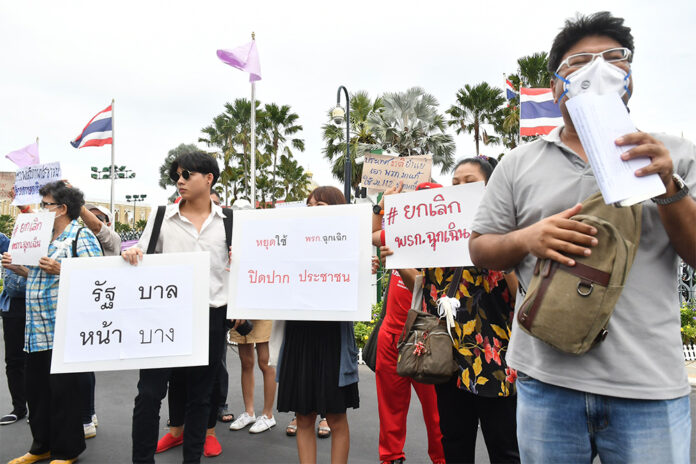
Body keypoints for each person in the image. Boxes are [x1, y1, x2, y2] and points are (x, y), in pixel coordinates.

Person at [469, 12, 696, 463]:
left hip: (648, 386)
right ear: (555, 85)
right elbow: (480, 250)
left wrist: (669, 187)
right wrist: (528, 239)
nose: (599, 68)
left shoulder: (675, 154)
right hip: (547, 383)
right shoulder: (518, 163)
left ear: (630, 76)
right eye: (579, 61)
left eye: (614, 58)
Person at [381, 174, 519, 463]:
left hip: (495, 363)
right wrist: (398, 259)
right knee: (454, 443)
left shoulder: (506, 234)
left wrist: (504, 247)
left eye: (469, 181)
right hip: (450, 362)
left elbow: (520, 295)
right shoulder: (437, 242)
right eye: (455, 182)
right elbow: (421, 287)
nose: (460, 188)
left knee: (505, 446)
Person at [123, 151, 244, 464]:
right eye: (177, 175)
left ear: (208, 178)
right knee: (149, 393)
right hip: (163, 315)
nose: (179, 180)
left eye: (187, 174)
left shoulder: (230, 222)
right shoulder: (162, 216)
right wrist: (133, 253)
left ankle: (192, 459)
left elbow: (242, 269)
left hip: (211, 317)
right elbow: (143, 253)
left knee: (201, 397)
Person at [4, 181, 104, 464]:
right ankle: (41, 446)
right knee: (36, 392)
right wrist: (17, 267)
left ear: (61, 209)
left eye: (45, 204)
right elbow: (35, 276)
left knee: (63, 393)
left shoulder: (80, 235)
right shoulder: (41, 236)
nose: (40, 209)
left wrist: (63, 268)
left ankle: (66, 450)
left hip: (64, 328)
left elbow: (97, 278)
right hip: (35, 328)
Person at [276, 186, 359, 464]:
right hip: (299, 336)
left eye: (320, 205)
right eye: (309, 206)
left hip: (333, 337)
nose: (312, 211)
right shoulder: (291, 243)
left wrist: (365, 267)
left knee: (336, 417)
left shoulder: (350, 244)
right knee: (303, 416)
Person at [371, 182, 445, 464]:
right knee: (390, 409)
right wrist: (381, 205)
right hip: (392, 335)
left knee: (437, 414)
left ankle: (441, 459)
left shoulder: (445, 239)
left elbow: (422, 285)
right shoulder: (402, 232)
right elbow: (373, 235)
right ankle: (390, 458)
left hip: (429, 338)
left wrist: (397, 258)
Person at [76, 203, 121, 439]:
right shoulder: (77, 237)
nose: (92, 220)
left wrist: (76, 202)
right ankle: (88, 413)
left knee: (83, 363)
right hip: (82, 307)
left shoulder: (111, 239)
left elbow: (96, 228)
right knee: (81, 363)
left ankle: (85, 418)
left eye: (99, 217)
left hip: (103, 310)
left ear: (108, 221)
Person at [227, 319, 277, 433]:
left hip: (261, 312)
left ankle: (268, 415)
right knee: (246, 363)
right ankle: (249, 412)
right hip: (241, 312)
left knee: (265, 363)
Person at [0, 229, 28, 427]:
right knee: (13, 360)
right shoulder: (10, 244)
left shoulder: (51, 245)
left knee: (38, 362)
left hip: (38, 306)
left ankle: (39, 408)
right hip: (13, 308)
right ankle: (19, 407)